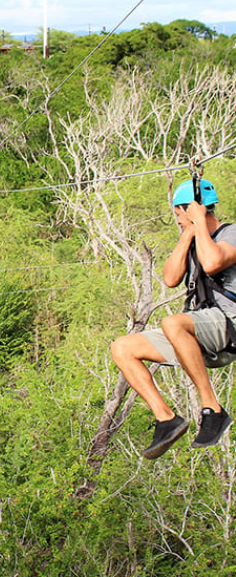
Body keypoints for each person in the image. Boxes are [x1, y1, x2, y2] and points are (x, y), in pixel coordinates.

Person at [111, 178, 236, 460]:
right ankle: (167, 419)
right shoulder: (193, 241)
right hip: (199, 331)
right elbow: (169, 278)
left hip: (230, 325)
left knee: (173, 322)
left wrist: (200, 224)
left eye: (179, 215)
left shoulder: (231, 234)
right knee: (122, 347)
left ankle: (212, 409)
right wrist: (188, 235)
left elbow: (215, 263)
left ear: (188, 210)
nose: (179, 220)